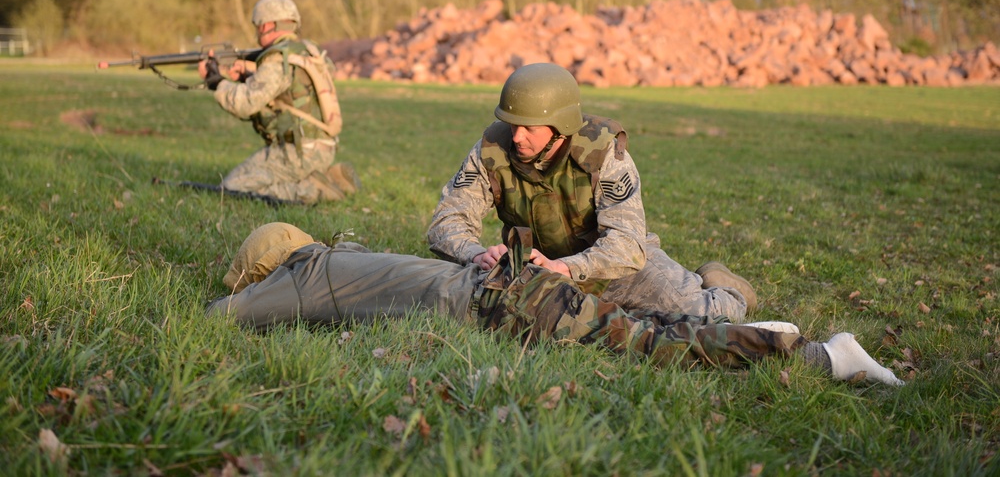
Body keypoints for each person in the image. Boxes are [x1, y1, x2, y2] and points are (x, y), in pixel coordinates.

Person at [207, 222, 905, 387]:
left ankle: (823, 356)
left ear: (271, 267)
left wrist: (230, 301)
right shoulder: (345, 257)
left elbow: (220, 318)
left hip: (504, 305)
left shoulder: (309, 276)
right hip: (509, 293)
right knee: (642, 329)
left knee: (649, 343)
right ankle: (761, 326)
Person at [426, 63, 756, 322]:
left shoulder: (602, 154)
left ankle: (722, 284)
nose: (516, 137)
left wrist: (568, 269)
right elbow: (446, 221)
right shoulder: (493, 148)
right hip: (535, 271)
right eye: (513, 125)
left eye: (529, 128)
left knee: (703, 316)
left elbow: (626, 245)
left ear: (560, 127)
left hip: (609, 269)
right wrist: (474, 253)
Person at [198, 0, 360, 204]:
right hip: (321, 147)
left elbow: (246, 103)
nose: (257, 32)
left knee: (233, 187)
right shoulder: (307, 51)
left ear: (267, 26)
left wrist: (215, 81)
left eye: (258, 26)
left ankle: (317, 188)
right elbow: (287, 94)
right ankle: (327, 176)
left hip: (298, 152)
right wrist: (249, 77)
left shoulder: (277, 58)